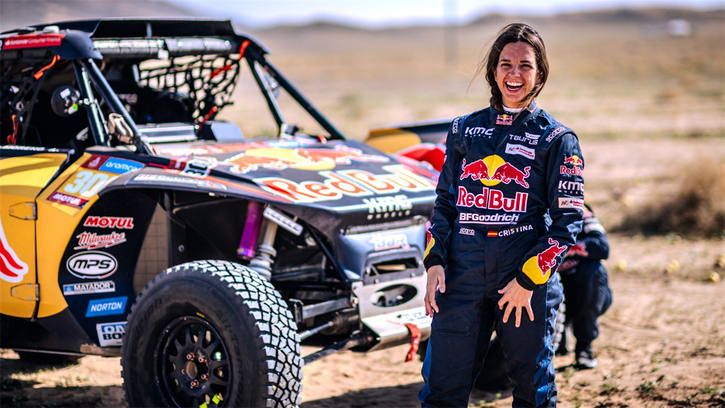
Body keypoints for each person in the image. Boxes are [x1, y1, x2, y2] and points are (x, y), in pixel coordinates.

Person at [419, 23, 585, 408]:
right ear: (493, 70)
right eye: (506, 64)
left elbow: (567, 224)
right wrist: (435, 261)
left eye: (525, 65)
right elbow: (444, 204)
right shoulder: (464, 130)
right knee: (441, 389)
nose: (515, 74)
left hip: (522, 279)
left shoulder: (557, 139)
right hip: (460, 277)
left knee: (532, 392)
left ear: (539, 74)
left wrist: (528, 280)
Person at [557, 204, 612, 369]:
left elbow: (601, 246)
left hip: (582, 290)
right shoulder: (529, 208)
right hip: (553, 294)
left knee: (592, 269)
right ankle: (557, 334)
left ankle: (584, 347)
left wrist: (556, 250)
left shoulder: (577, 209)